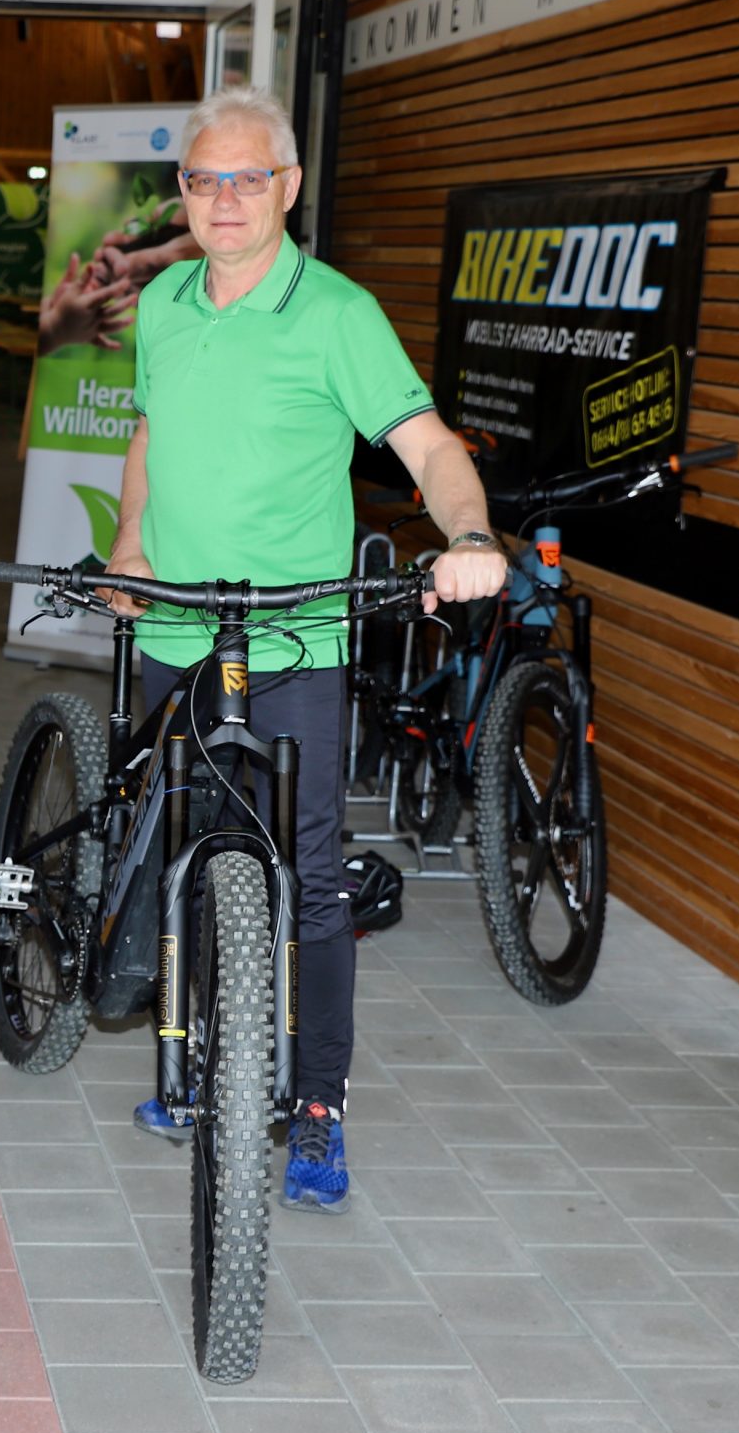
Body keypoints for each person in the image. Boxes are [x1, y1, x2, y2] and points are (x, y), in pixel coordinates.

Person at [102, 84, 507, 1214]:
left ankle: (318, 1103)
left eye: (247, 178)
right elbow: (149, 433)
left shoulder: (336, 312)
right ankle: (192, 1059)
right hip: (175, 625)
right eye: (204, 179)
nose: (224, 199)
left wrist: (470, 536)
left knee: (309, 876)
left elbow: (430, 447)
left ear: (286, 186)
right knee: (186, 846)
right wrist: (130, 540)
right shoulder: (164, 302)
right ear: (182, 193)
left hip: (291, 636)